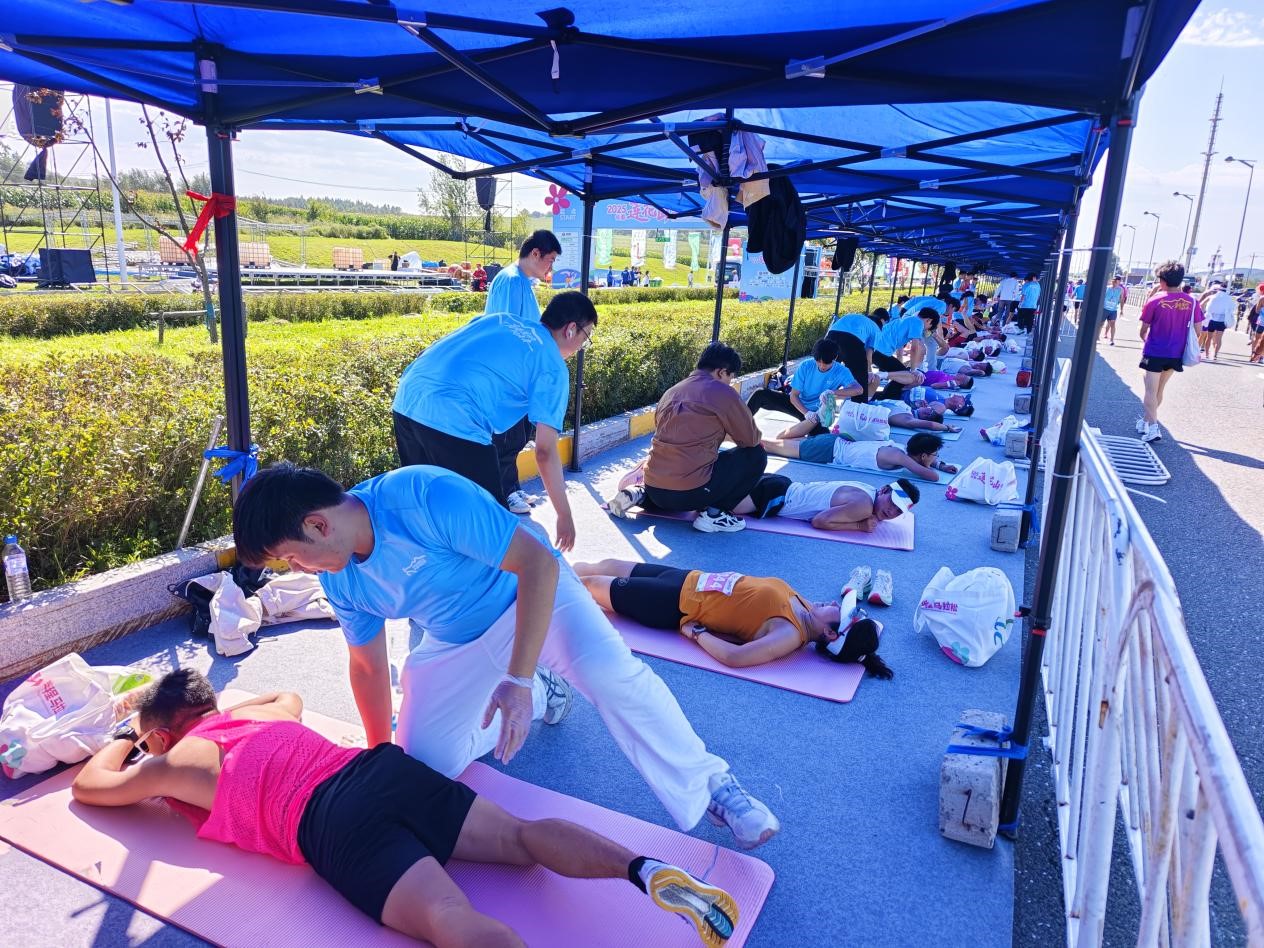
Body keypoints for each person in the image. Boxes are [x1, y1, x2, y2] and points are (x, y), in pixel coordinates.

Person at [233, 464, 781, 853]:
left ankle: (713, 786)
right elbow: (369, 666)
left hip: (532, 595)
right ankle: (542, 693)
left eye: (291, 558)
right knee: (423, 768)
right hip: (455, 640)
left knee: (611, 676)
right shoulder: (342, 579)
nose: (297, 570)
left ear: (318, 525)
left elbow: (538, 564)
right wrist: (382, 757)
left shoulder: (423, 495)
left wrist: (515, 677)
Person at [72, 670, 739, 947]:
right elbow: (287, 697)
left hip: (333, 825)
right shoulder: (264, 716)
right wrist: (226, 713)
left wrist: (131, 738)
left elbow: (92, 788)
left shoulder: (175, 762)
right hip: (380, 770)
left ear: (166, 734)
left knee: (450, 918)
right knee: (523, 837)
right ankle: (647, 871)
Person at [392, 291, 592, 552]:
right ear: (570, 329)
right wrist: (564, 515)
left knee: (427, 510)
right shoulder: (552, 366)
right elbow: (544, 451)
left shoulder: (501, 319)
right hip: (455, 417)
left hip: (407, 401)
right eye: (585, 338)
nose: (581, 348)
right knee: (492, 532)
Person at [572, 561, 893, 676]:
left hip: (672, 604)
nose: (834, 602)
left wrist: (697, 634)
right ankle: (552, 568)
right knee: (600, 565)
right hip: (687, 578)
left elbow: (735, 657)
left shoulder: (790, 634)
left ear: (831, 634)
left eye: (839, 610)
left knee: (590, 585)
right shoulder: (807, 608)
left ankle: (544, 588)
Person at [615, 343, 768, 534]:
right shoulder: (723, 392)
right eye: (731, 377)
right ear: (722, 372)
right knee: (756, 454)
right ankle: (715, 515)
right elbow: (751, 439)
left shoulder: (672, 391)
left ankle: (639, 493)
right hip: (689, 494)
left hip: (654, 487)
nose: (730, 382)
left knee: (677, 478)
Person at [478, 231, 564, 516]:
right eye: (550, 260)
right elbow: (506, 330)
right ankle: (504, 494)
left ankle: (511, 487)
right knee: (505, 438)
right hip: (508, 375)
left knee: (515, 438)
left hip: (518, 374)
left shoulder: (522, 282)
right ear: (535, 253)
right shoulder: (511, 281)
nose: (550, 267)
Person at [1137, 260, 1203, 443]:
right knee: (1160, 389)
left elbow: (1143, 330)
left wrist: (1146, 339)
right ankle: (1145, 422)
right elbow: (1198, 330)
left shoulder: (1155, 300)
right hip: (1176, 353)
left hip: (1155, 351)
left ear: (1162, 280)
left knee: (1150, 390)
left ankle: (1153, 427)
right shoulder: (1192, 302)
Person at [733, 472, 919, 534]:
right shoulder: (864, 506)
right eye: (892, 503)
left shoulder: (868, 490)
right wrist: (859, 526)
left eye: (899, 511)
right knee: (721, 506)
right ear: (884, 490)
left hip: (782, 484)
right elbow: (819, 521)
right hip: (778, 497)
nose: (891, 511)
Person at [746, 338, 862, 428]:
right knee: (760, 394)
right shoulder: (806, 365)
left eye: (826, 363)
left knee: (821, 438)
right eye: (818, 361)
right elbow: (794, 395)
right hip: (797, 405)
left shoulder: (842, 371)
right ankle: (739, 425)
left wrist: (833, 392)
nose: (822, 366)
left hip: (816, 414)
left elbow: (858, 390)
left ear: (835, 358)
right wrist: (806, 413)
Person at [761, 429, 956, 481]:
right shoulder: (900, 457)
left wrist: (941, 464)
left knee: (779, 443)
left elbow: (928, 462)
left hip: (837, 442)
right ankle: (745, 437)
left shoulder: (904, 449)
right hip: (828, 451)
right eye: (934, 454)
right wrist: (932, 466)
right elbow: (932, 477)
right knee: (770, 445)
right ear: (923, 455)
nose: (936, 456)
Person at [870, 305, 941, 398]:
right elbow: (915, 348)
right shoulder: (918, 323)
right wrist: (913, 370)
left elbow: (902, 348)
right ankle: (882, 394)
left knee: (902, 374)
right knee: (907, 376)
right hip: (881, 352)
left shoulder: (907, 320)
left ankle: (881, 394)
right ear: (929, 320)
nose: (926, 329)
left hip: (875, 350)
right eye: (929, 327)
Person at [826, 309, 888, 403]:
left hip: (832, 334)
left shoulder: (860, 318)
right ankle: (858, 406)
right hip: (852, 339)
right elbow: (868, 354)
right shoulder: (877, 329)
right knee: (860, 379)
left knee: (828, 370)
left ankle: (820, 400)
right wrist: (869, 372)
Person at [1198, 281, 1233, 361]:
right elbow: (1231, 309)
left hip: (1212, 319)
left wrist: (1204, 312)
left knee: (1209, 337)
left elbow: (1201, 304)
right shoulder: (1229, 298)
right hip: (1222, 321)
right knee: (1219, 338)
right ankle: (1215, 354)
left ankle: (1207, 354)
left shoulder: (1212, 296)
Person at [1100, 275, 1124, 345]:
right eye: (1114, 280)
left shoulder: (1120, 290)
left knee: (1112, 324)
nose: (1114, 282)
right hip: (1105, 308)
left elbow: (1121, 300)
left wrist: (1122, 310)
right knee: (1101, 323)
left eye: (1116, 281)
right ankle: (1097, 337)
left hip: (1113, 310)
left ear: (1119, 282)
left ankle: (1112, 340)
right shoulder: (1107, 288)